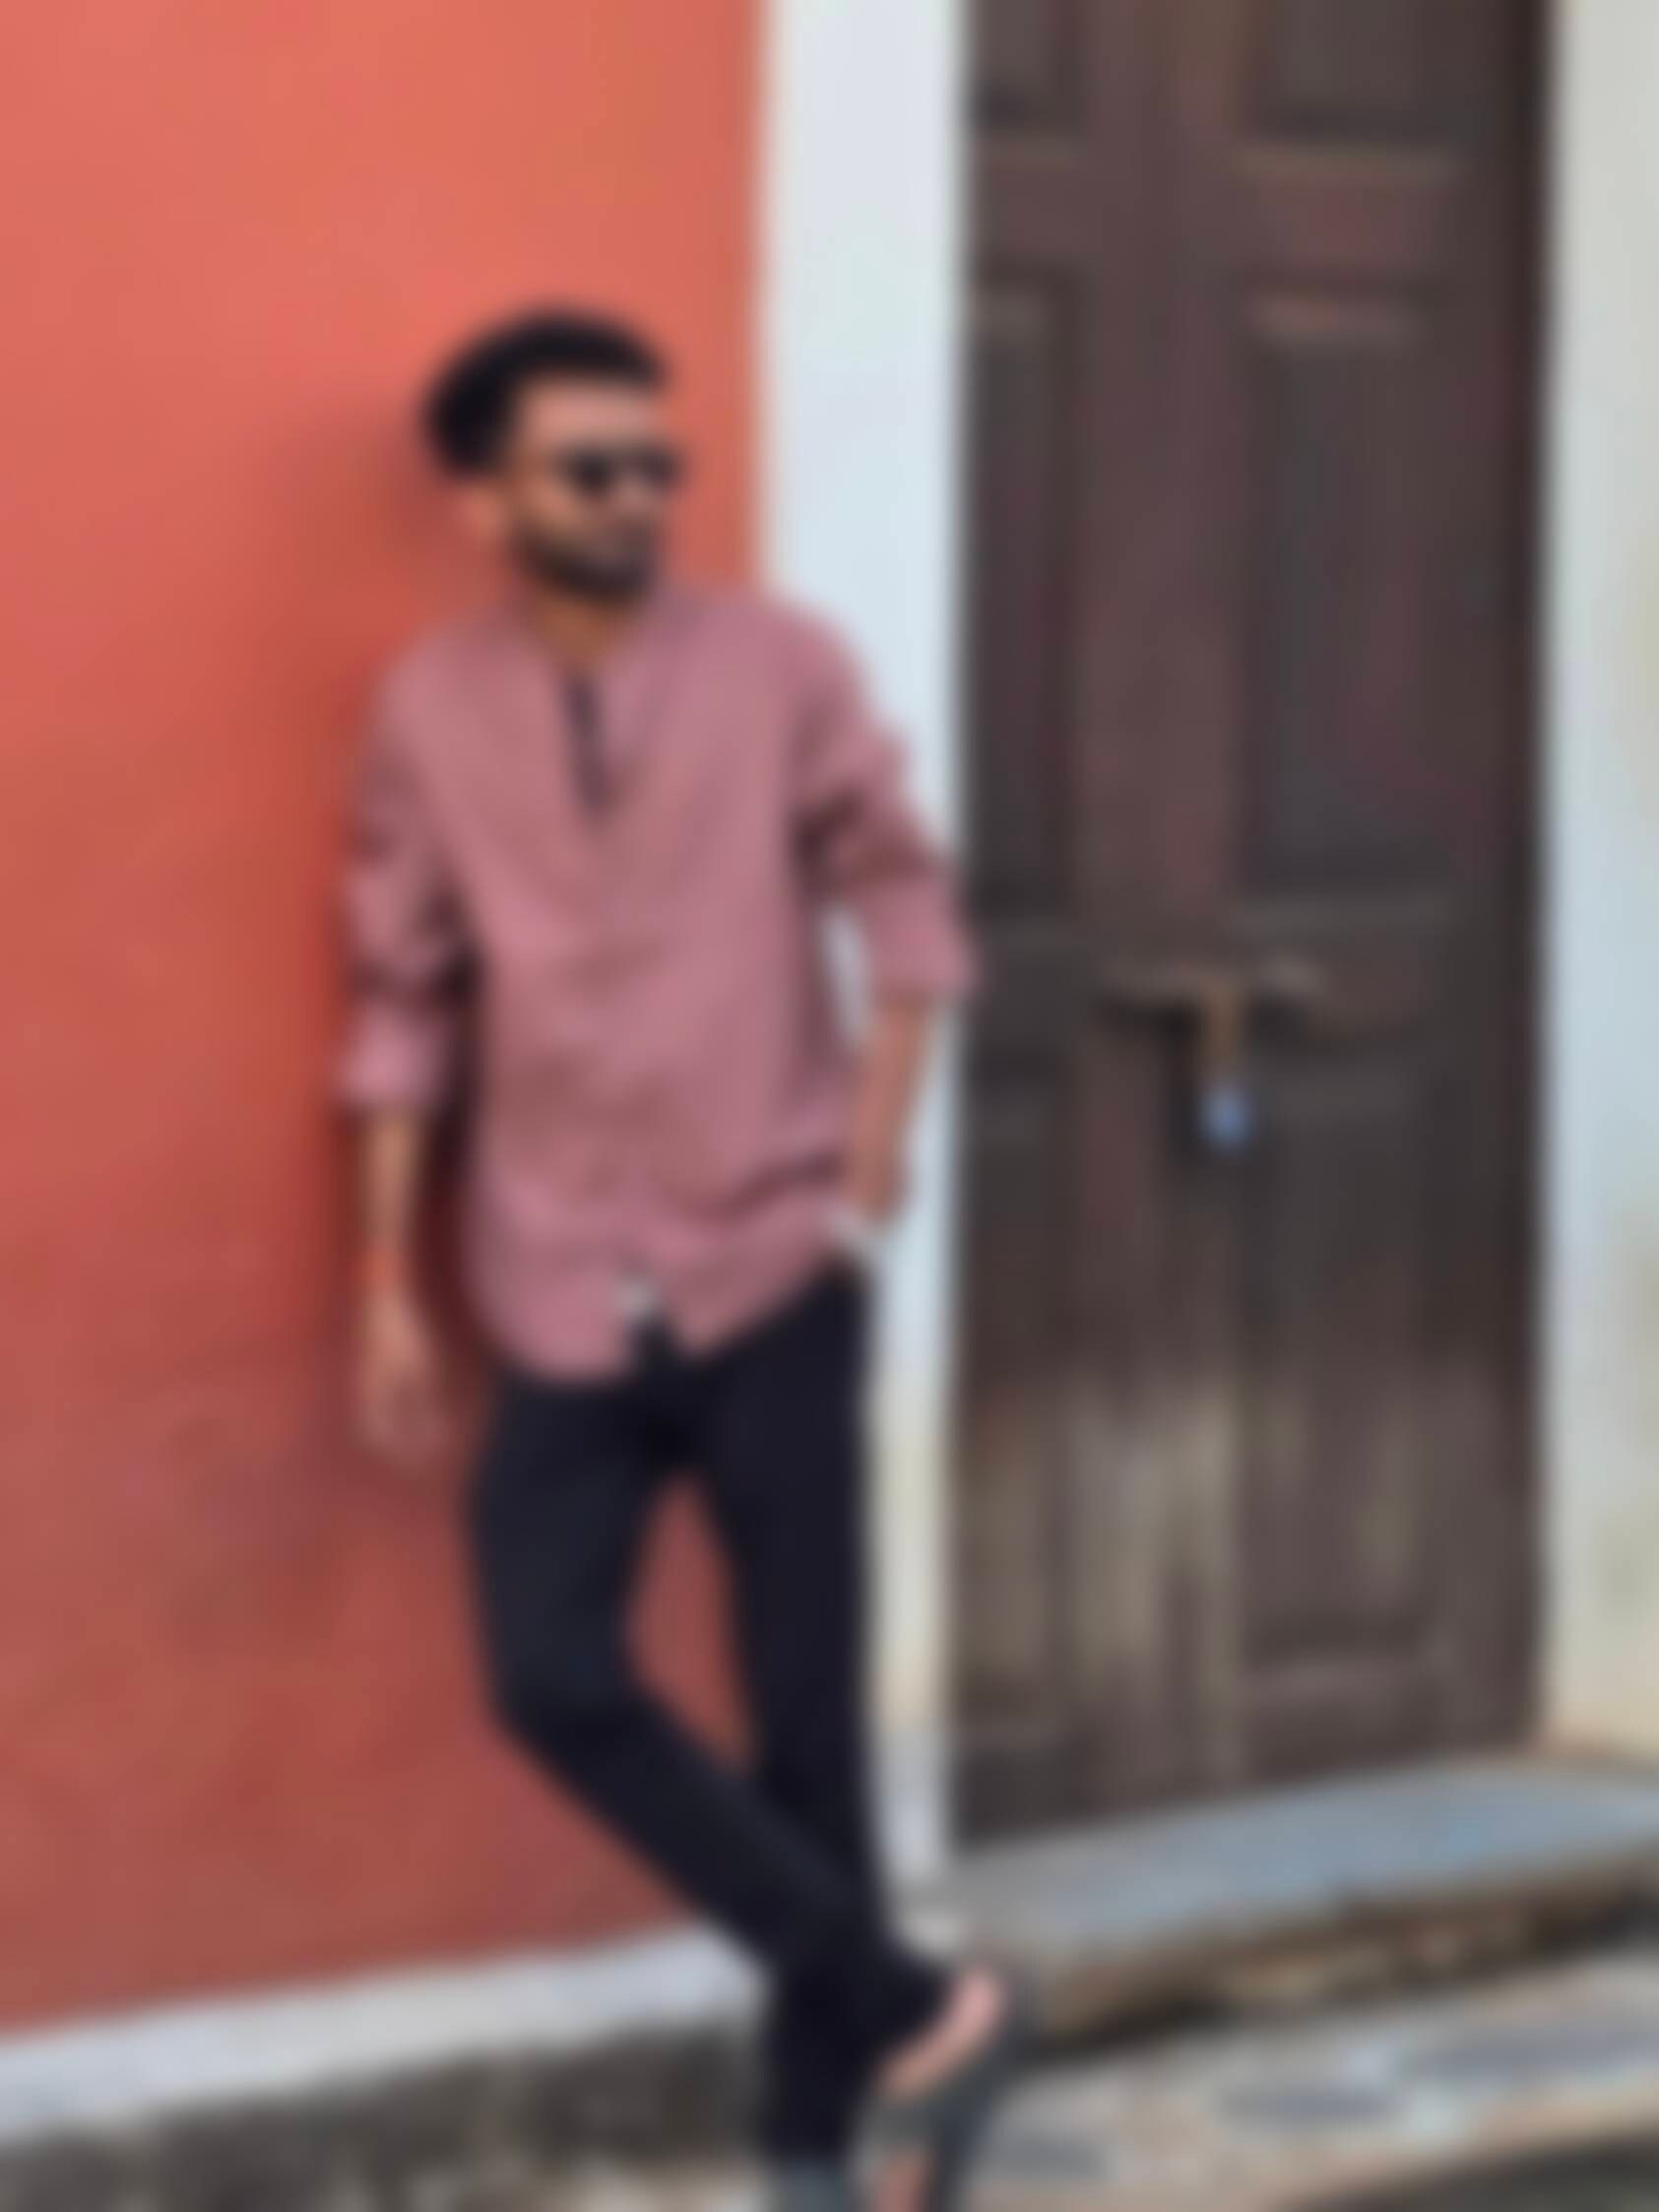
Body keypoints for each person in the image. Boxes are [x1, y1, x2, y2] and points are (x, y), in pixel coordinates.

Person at [336, 309, 1026, 2211]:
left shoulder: (778, 665)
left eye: (659, 462)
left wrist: (868, 1162)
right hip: (550, 1270)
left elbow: (904, 895)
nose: (638, 495)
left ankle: (820, 2146)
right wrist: (383, 1275)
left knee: (810, 1730)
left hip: (766, 1264)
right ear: (485, 501)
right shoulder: (428, 709)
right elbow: (400, 993)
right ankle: (924, 2010)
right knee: (549, 1673)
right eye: (590, 467)